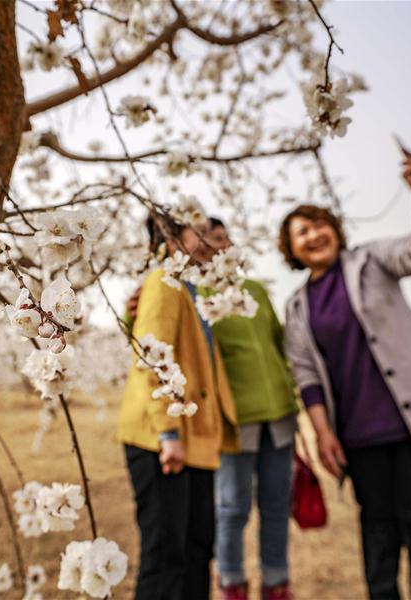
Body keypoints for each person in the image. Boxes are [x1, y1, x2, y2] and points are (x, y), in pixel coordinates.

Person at [280, 148, 411, 600]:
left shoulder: (371, 261)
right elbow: (306, 375)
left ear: (335, 231)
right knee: (378, 533)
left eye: (319, 224)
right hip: (359, 436)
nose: (314, 234)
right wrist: (322, 434)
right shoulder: (297, 307)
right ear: (291, 249)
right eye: (302, 232)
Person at [129, 218, 299, 600]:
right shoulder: (189, 290)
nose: (214, 244)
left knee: (265, 511)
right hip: (225, 422)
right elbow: (152, 344)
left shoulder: (251, 290)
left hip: (270, 418)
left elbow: (278, 344)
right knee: (227, 512)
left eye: (221, 237)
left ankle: (276, 581)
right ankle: (233, 581)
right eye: (205, 237)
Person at [118, 215, 239, 600]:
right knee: (166, 552)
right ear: (171, 239)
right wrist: (168, 434)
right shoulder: (163, 282)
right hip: (164, 440)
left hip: (194, 441)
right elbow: (153, 358)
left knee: (197, 548)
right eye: (197, 232)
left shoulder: (190, 289)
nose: (206, 240)